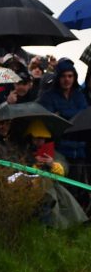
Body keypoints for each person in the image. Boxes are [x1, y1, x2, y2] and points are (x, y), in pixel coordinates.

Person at [38, 58, 88, 187]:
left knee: (78, 188)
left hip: (79, 149)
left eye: (70, 76)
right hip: (59, 151)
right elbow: (49, 121)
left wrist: (62, 115)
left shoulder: (79, 95)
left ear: (74, 77)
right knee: (62, 187)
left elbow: (84, 117)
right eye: (63, 76)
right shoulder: (48, 96)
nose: (67, 80)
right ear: (58, 78)